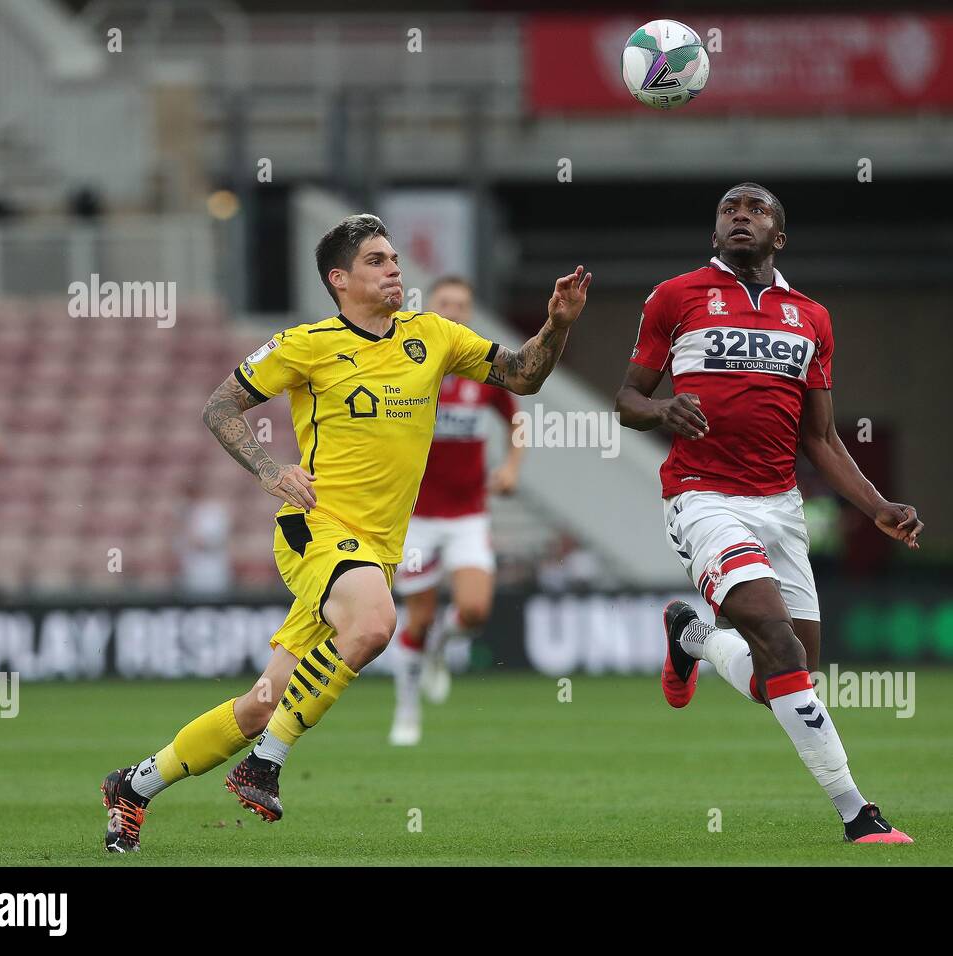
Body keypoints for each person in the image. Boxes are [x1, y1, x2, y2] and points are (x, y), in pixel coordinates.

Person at [99, 213, 590, 851]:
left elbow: (523, 375)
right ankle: (267, 762)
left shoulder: (433, 336)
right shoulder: (307, 344)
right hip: (317, 529)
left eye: (394, 259)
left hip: (375, 551)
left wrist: (559, 322)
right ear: (340, 279)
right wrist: (270, 468)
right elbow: (220, 405)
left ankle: (133, 786)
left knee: (259, 702)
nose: (394, 270)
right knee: (374, 626)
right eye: (378, 261)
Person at [614, 183, 922, 844]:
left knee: (786, 676)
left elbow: (821, 437)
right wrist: (663, 409)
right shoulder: (676, 297)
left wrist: (876, 507)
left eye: (757, 210)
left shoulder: (810, 316)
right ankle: (858, 814)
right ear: (716, 230)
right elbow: (627, 399)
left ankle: (692, 638)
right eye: (730, 209)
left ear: (778, 236)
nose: (741, 216)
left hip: (781, 506)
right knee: (779, 643)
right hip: (702, 496)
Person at [388, 276, 524, 746]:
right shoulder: (403, 364)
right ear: (428, 308)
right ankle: (407, 710)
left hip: (467, 514)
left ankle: (439, 651)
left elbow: (517, 419)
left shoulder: (482, 369)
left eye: (462, 305)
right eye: (445, 303)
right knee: (418, 620)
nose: (453, 311)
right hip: (415, 519)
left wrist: (510, 466)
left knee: (474, 610)